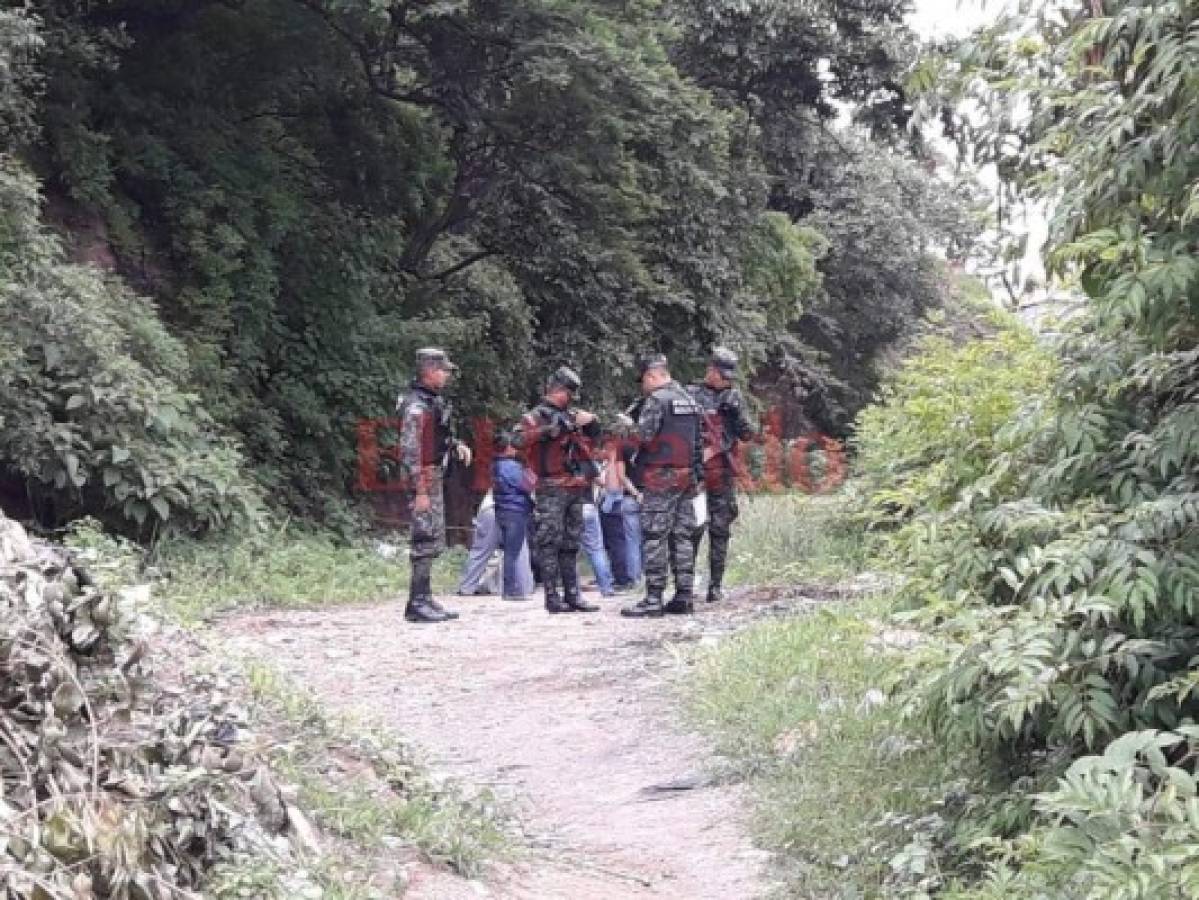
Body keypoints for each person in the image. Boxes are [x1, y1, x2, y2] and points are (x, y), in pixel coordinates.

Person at [620, 353, 703, 618]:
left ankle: (653, 599)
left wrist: (627, 426)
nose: (642, 387)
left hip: (660, 476)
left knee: (655, 536)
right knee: (683, 537)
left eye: (643, 381)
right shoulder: (690, 400)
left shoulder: (657, 400)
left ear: (652, 376)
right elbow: (699, 443)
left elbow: (644, 437)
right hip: (686, 475)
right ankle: (683, 596)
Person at [397, 348, 472, 623]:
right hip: (422, 477)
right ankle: (416, 601)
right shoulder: (416, 407)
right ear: (429, 371)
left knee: (433, 536)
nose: (446, 376)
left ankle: (424, 597)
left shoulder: (431, 403)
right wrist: (420, 491)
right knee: (424, 537)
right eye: (443, 370)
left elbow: (435, 436)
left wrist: (455, 444)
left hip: (432, 474)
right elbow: (410, 451)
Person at [519, 367, 602, 614]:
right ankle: (552, 597)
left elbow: (593, 440)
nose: (571, 398)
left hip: (575, 485)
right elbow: (515, 441)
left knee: (571, 542)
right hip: (551, 487)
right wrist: (552, 429)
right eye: (569, 392)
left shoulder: (572, 415)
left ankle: (573, 594)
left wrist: (591, 422)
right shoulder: (535, 416)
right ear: (557, 390)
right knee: (549, 542)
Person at [689, 347, 757, 604]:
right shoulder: (691, 394)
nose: (726, 381)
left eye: (729, 377)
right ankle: (686, 585)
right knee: (692, 528)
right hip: (696, 473)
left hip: (722, 474)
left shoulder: (734, 397)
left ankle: (715, 586)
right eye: (722, 375)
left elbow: (749, 434)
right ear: (711, 371)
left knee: (720, 530)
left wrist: (735, 414)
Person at [492, 430, 537, 601]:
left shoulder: (496, 465)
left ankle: (511, 587)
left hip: (503, 509)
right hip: (515, 510)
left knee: (509, 551)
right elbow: (528, 484)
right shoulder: (511, 466)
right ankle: (510, 589)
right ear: (508, 447)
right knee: (512, 552)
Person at [580, 479, 616, 596]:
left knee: (568, 552)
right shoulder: (585, 462)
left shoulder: (558, 463)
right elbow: (602, 481)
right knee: (596, 550)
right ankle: (606, 588)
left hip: (566, 507)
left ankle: (572, 591)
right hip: (588, 506)